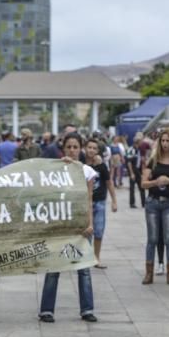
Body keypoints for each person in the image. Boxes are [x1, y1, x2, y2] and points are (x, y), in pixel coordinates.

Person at [39, 133, 97, 323]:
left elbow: (88, 199)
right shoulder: (55, 170)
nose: (72, 150)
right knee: (53, 267)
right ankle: (47, 309)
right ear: (63, 149)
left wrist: (89, 223)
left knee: (84, 269)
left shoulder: (87, 171)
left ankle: (87, 309)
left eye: (75, 147)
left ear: (80, 149)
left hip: (80, 224)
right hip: (60, 223)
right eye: (69, 147)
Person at [141, 128, 169, 286]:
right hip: (152, 202)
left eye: (168, 140)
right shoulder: (153, 160)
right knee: (152, 238)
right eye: (163, 140)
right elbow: (143, 183)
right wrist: (155, 182)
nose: (165, 144)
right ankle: (149, 273)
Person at [84, 138, 117, 268]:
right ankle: (85, 257)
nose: (91, 150)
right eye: (89, 147)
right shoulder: (81, 164)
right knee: (85, 232)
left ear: (98, 151)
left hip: (99, 202)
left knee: (98, 231)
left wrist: (114, 201)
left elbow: (109, 183)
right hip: (85, 203)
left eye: (94, 148)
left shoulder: (101, 166)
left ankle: (96, 258)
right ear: (85, 148)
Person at [126, 133, 145, 209]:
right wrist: (131, 173)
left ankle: (144, 203)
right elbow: (129, 162)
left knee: (141, 187)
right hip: (133, 169)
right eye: (141, 142)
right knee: (132, 187)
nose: (142, 143)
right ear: (137, 142)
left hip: (138, 170)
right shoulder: (130, 150)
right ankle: (132, 203)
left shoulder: (138, 149)